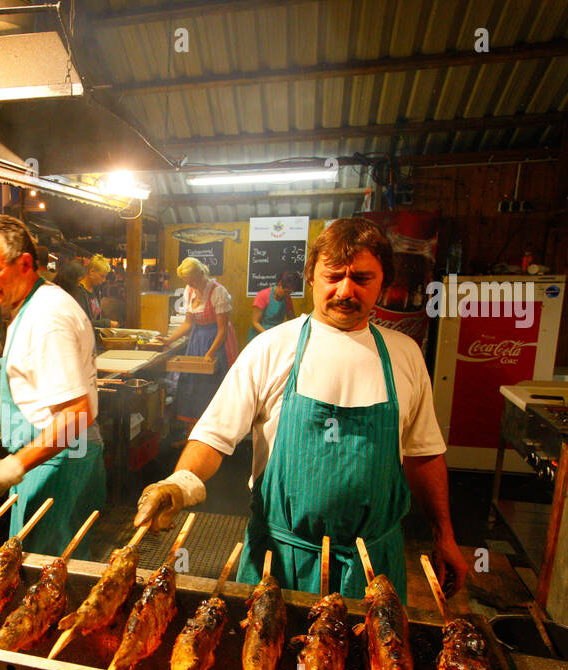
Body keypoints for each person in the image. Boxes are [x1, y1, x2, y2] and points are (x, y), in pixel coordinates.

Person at [134, 218, 468, 603]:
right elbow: (214, 436)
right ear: (311, 277)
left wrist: (445, 536)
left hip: (375, 569)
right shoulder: (271, 348)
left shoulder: (404, 355)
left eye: (362, 278)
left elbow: (423, 454)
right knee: (269, 660)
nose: (346, 290)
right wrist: (179, 483)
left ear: (383, 282)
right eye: (334, 276)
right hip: (281, 563)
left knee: (373, 662)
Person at [0, 215, 104, 559]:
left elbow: (75, 414)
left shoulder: (46, 318)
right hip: (54, 460)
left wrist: (14, 466)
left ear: (25, 263)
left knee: (41, 584)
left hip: (55, 466)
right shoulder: (36, 305)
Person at [163, 256, 239, 432]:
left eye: (191, 280)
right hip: (197, 339)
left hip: (217, 341)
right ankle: (193, 431)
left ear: (200, 274)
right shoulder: (190, 291)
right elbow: (188, 323)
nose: (189, 284)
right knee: (193, 383)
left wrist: (210, 353)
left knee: (211, 384)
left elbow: (223, 330)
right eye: (186, 281)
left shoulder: (218, 292)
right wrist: (169, 340)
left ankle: (213, 432)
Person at [250, 269, 301, 334]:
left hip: (275, 333)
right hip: (259, 335)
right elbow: (255, 323)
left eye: (290, 292)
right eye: (286, 292)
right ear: (280, 284)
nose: (288, 295)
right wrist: (267, 335)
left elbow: (292, 319)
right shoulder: (262, 295)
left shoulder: (287, 298)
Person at [79, 255, 114, 329]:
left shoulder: (96, 290)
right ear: (92, 271)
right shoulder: (79, 291)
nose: (104, 280)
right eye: (102, 276)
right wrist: (106, 323)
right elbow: (82, 322)